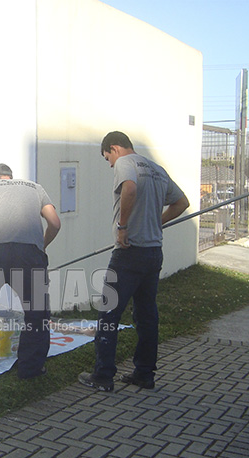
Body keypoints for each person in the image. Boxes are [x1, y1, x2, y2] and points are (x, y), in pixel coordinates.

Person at [79, 131, 189, 391]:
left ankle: (103, 376)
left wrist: (123, 226)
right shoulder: (156, 169)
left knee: (109, 313)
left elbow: (129, 188)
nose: (110, 165)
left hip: (129, 253)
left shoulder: (125, 164)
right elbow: (182, 202)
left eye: (108, 159)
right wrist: (156, 223)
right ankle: (144, 374)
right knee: (146, 315)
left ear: (114, 148)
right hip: (153, 253)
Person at [0, 163, 61, 379]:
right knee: (36, 310)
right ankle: (31, 367)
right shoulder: (35, 188)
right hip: (30, 254)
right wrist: (41, 245)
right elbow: (55, 223)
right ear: (10, 177)